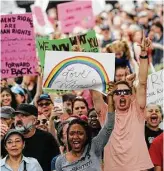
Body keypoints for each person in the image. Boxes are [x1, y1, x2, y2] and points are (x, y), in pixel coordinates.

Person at [107, 31, 154, 171]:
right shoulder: (106, 114)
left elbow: (143, 83)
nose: (122, 95)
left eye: (125, 92)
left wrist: (144, 55)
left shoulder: (137, 110)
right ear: (112, 95)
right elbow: (96, 97)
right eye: (118, 92)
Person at [55, 92, 115, 171]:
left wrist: (110, 98)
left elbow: (108, 127)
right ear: (67, 136)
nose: (75, 137)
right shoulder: (60, 161)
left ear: (86, 136)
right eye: (72, 133)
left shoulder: (94, 146)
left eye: (80, 133)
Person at [1, 103, 60, 171]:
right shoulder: (7, 138)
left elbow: (56, 164)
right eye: (17, 115)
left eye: (23, 116)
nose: (18, 119)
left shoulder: (47, 139)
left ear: (34, 120)